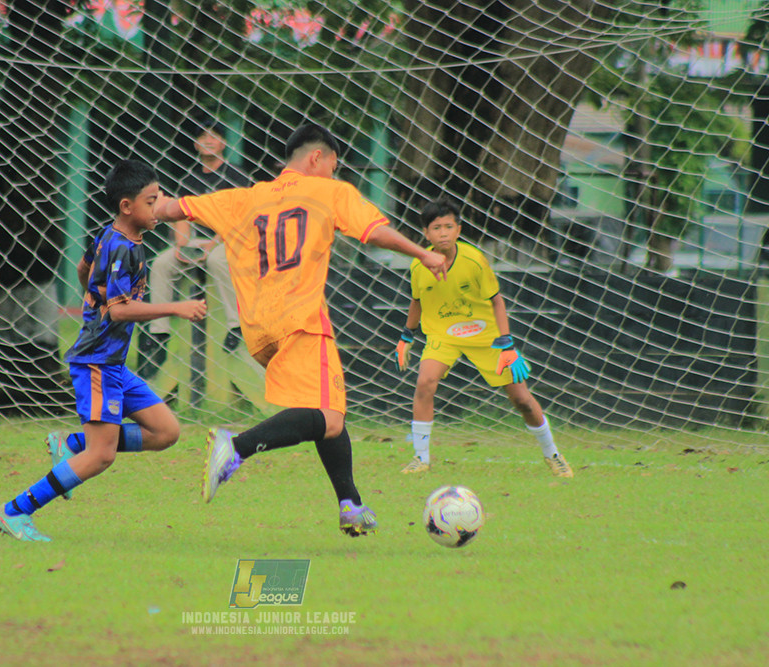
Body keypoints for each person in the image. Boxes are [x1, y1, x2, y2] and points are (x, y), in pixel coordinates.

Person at [154, 123, 449, 537]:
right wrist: (425, 255)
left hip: (258, 327)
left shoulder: (244, 197)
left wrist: (148, 200)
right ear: (317, 158)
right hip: (303, 320)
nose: (333, 173)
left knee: (326, 409)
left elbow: (172, 210)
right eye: (333, 165)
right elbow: (375, 233)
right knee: (328, 416)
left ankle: (351, 505)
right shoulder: (330, 192)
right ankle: (233, 448)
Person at [0, 159, 208, 542]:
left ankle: (72, 443)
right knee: (101, 456)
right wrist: (176, 306)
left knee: (165, 431)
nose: (158, 207)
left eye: (159, 199)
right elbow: (120, 309)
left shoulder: (110, 237)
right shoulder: (123, 249)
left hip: (112, 363)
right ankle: (15, 511)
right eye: (150, 201)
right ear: (127, 207)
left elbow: (82, 267)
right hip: (96, 363)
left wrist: (93, 297)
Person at [393, 197, 573, 478]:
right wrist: (407, 336)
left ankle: (553, 455)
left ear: (459, 230)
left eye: (449, 226)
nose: (443, 233)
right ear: (426, 234)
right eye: (436, 227)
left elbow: (497, 301)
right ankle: (421, 458)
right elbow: (417, 301)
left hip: (486, 335)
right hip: (443, 334)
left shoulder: (474, 260)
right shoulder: (419, 265)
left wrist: (507, 343)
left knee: (522, 399)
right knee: (424, 383)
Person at [138, 117, 249, 378]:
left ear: (223, 142)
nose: (207, 141)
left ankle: (236, 325)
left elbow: (241, 218)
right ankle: (159, 334)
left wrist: (214, 244)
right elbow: (180, 216)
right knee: (162, 263)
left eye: (213, 136)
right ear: (195, 144)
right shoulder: (190, 177)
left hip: (230, 240)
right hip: (199, 241)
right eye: (202, 137)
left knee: (217, 260)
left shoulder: (236, 174)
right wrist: (181, 246)